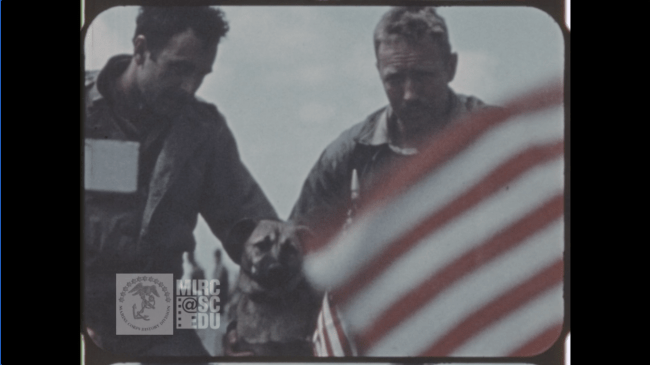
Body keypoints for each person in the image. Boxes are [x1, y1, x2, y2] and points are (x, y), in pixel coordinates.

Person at [83, 6, 286, 358]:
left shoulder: (203, 132)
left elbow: (257, 232)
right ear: (141, 49)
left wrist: (253, 320)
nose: (190, 87)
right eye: (179, 69)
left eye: (202, 74)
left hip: (147, 303)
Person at [290, 6, 494, 234]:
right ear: (379, 71)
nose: (410, 94)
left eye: (422, 76)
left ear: (450, 67)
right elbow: (295, 248)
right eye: (395, 79)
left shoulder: (500, 135)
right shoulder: (347, 158)